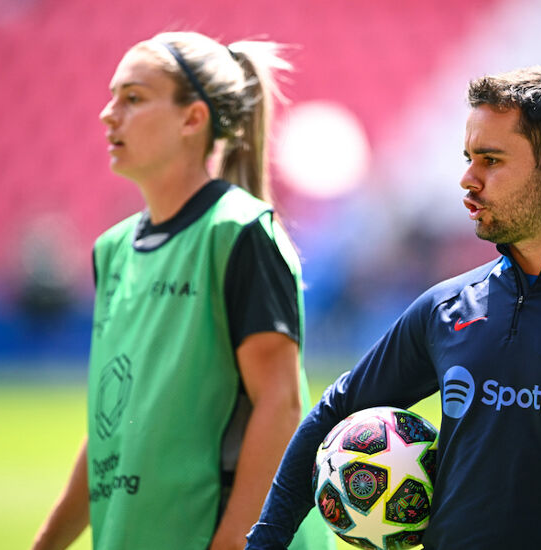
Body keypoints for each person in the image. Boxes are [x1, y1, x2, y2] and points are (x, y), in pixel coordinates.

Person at [246, 67, 541, 549]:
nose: (467, 179)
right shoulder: (444, 308)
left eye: (490, 159)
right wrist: (267, 540)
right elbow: (333, 413)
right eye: (468, 158)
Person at [31, 31, 334, 550]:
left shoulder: (238, 233)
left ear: (192, 119)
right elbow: (112, 429)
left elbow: (279, 407)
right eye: (112, 97)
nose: (108, 114)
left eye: (133, 98)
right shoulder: (112, 250)